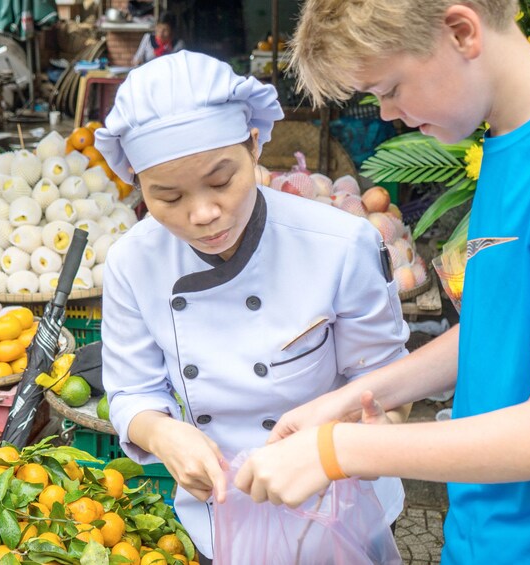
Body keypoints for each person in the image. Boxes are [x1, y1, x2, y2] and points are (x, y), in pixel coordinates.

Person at [234, 0, 530, 563]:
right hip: (485, 530)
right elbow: (499, 325)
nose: (389, 114)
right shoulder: (507, 137)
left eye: (392, 88)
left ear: (461, 31)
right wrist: (350, 399)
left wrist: (340, 449)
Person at [94, 50, 409, 562]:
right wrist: (165, 434)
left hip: (339, 505)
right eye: (168, 197)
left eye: (221, 181)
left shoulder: (339, 244)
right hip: (220, 513)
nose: (203, 213)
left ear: (256, 144)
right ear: (135, 181)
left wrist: (366, 442)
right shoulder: (133, 260)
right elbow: (132, 389)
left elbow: (388, 383)